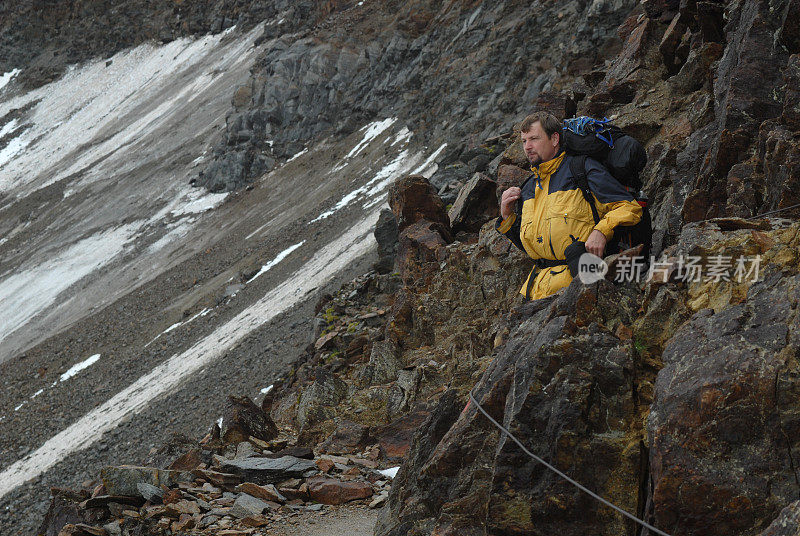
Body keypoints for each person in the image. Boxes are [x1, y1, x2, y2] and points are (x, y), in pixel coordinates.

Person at [496, 111, 643, 300]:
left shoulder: (581, 170)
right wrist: (508, 218)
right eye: (524, 141)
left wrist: (601, 231)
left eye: (534, 139)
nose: (528, 147)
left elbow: (628, 207)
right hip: (534, 292)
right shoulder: (528, 188)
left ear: (555, 138)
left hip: (578, 288)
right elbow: (536, 249)